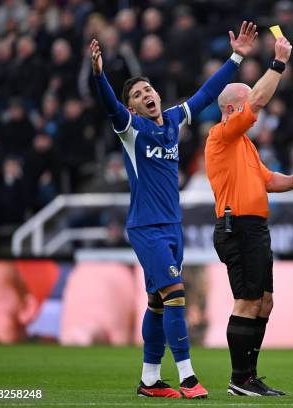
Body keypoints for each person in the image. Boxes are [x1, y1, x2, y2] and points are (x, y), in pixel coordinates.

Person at [90, 21, 258, 399]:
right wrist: (99, 77)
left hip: (172, 227)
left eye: (147, 88)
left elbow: (206, 92)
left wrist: (236, 57)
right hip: (146, 227)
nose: (146, 94)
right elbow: (109, 106)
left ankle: (149, 381)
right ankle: (187, 377)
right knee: (176, 294)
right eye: (138, 94)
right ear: (132, 105)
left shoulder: (174, 121)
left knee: (157, 304)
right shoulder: (130, 128)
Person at [205, 35, 293, 397]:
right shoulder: (221, 137)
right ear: (231, 110)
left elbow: (269, 180)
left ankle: (249, 376)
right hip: (236, 225)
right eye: (246, 107)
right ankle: (238, 380)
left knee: (264, 301)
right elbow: (257, 98)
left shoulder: (244, 145)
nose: (256, 112)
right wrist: (278, 63)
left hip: (254, 227)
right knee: (246, 301)